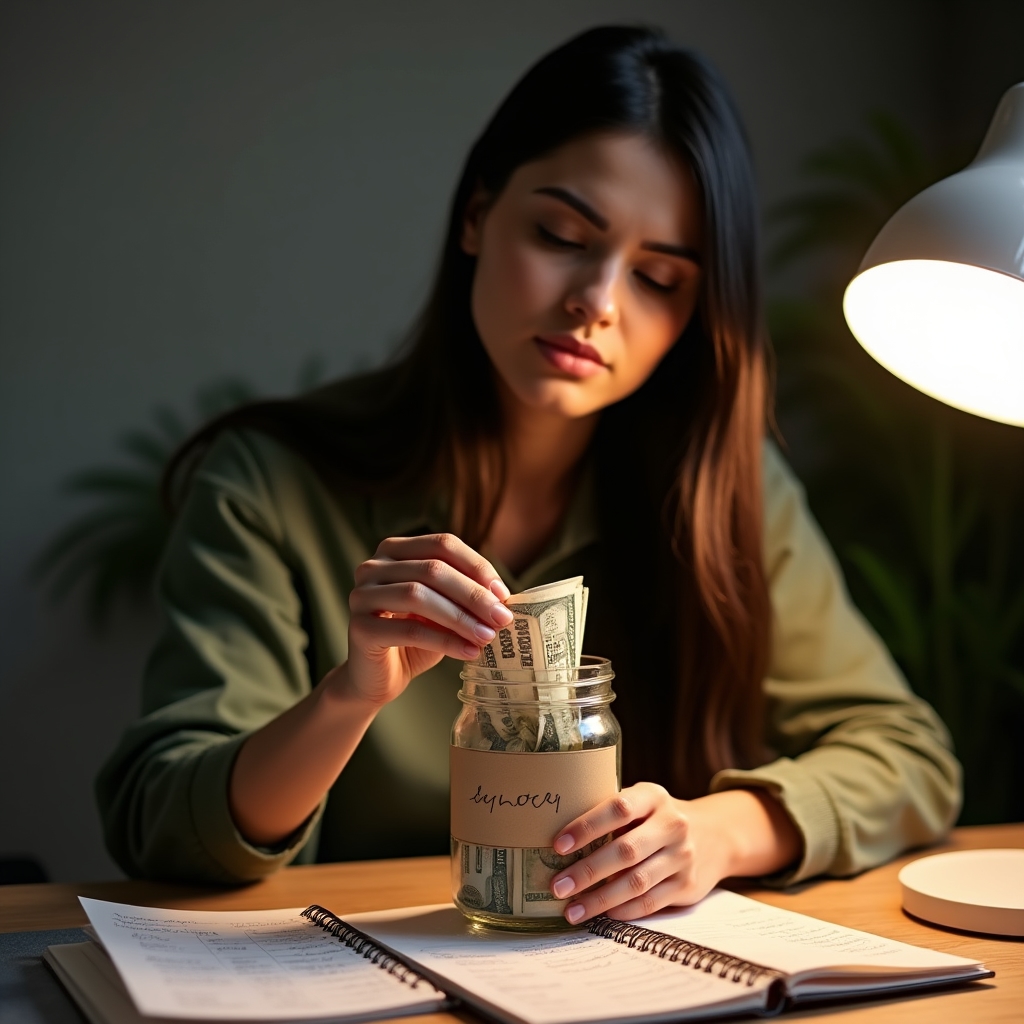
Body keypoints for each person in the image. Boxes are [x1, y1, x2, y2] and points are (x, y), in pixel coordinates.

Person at [97, 26, 960, 925]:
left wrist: (719, 833)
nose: (599, 302)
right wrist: (347, 698)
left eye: (659, 279)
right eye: (561, 234)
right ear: (476, 214)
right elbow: (160, 821)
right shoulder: (272, 485)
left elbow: (906, 754)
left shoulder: (727, 490)